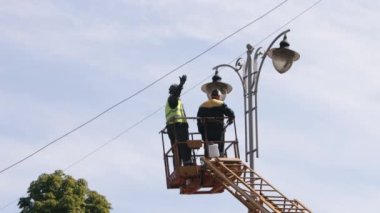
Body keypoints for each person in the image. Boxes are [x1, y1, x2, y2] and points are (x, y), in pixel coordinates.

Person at [197, 89, 235, 157]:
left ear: (211, 96)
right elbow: (231, 113)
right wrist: (231, 119)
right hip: (218, 131)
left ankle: (207, 157)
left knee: (208, 146)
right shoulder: (220, 103)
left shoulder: (203, 106)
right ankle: (220, 156)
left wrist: (201, 132)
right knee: (219, 147)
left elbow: (199, 120)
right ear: (218, 96)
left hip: (207, 131)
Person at [165, 75, 192, 166]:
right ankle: (187, 163)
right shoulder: (172, 99)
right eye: (178, 90)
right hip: (178, 127)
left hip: (172, 127)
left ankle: (177, 166)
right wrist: (181, 84)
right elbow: (176, 94)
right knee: (183, 145)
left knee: (176, 148)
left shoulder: (173, 100)